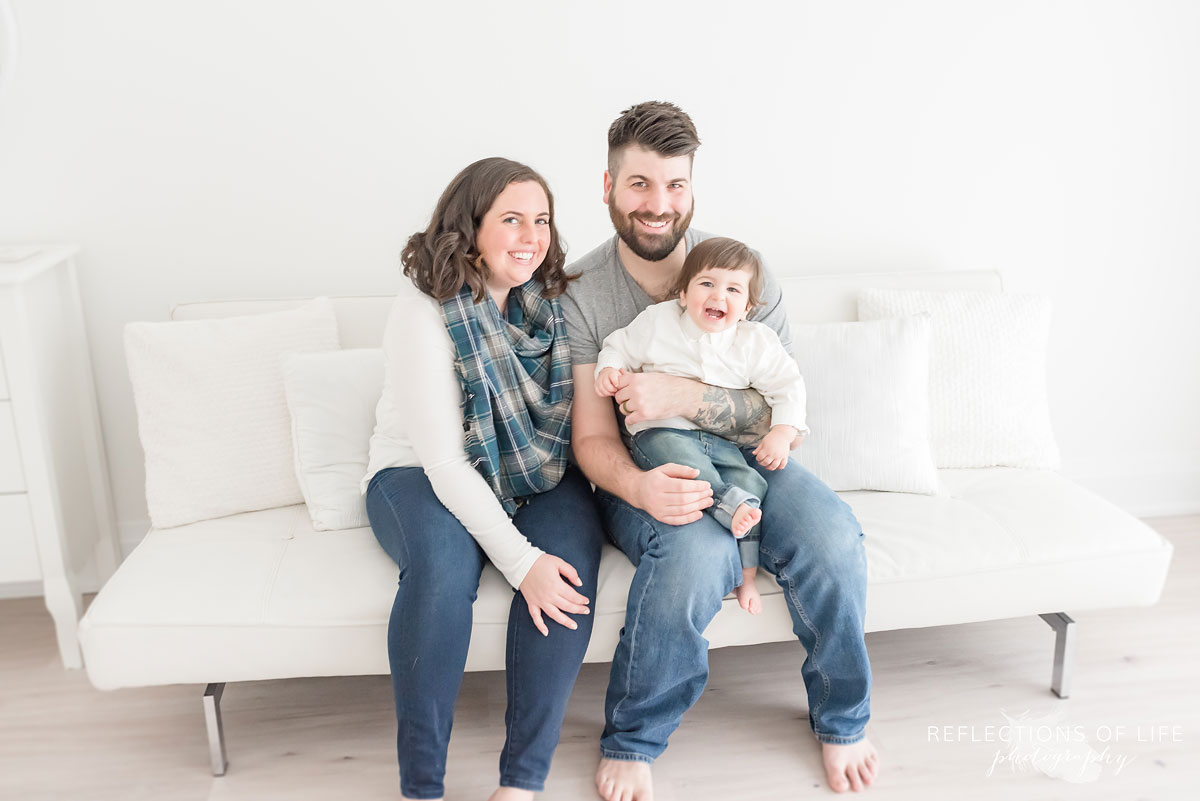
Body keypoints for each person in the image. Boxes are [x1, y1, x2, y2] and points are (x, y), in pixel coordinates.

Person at [560, 101, 880, 798]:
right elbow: (591, 436)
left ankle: (843, 716)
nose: (658, 205)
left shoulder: (739, 272)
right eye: (640, 184)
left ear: (692, 188)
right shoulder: (582, 292)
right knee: (695, 551)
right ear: (608, 187)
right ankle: (634, 735)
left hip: (749, 458)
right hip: (642, 465)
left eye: (674, 185)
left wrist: (677, 395)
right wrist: (643, 490)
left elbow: (777, 407)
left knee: (832, 537)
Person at [363, 157, 606, 801]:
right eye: (511, 220)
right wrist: (520, 560)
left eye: (542, 220)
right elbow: (444, 465)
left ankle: (521, 784)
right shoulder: (423, 310)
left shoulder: (549, 306)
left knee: (568, 575)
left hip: (529, 466)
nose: (531, 236)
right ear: (470, 227)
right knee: (444, 568)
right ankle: (422, 787)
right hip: (416, 473)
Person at [593, 236, 808, 615]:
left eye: (732, 289)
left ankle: (746, 577)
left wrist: (783, 432)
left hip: (723, 441)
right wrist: (609, 369)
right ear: (682, 293)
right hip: (662, 432)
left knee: (752, 487)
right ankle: (726, 501)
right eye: (706, 284)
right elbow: (618, 345)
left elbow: (788, 388)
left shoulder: (756, 343)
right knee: (687, 466)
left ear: (747, 308)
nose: (718, 296)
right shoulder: (658, 323)